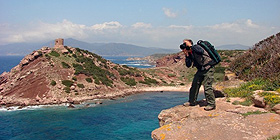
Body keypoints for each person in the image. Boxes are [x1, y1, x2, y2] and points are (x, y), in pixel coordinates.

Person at [180, 38, 216, 111]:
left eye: (185, 43)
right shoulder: (190, 53)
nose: (184, 45)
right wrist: (187, 55)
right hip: (200, 70)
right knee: (194, 85)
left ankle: (211, 104)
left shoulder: (196, 47)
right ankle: (192, 101)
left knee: (207, 86)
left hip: (208, 68)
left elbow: (200, 51)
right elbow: (188, 65)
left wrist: (190, 46)